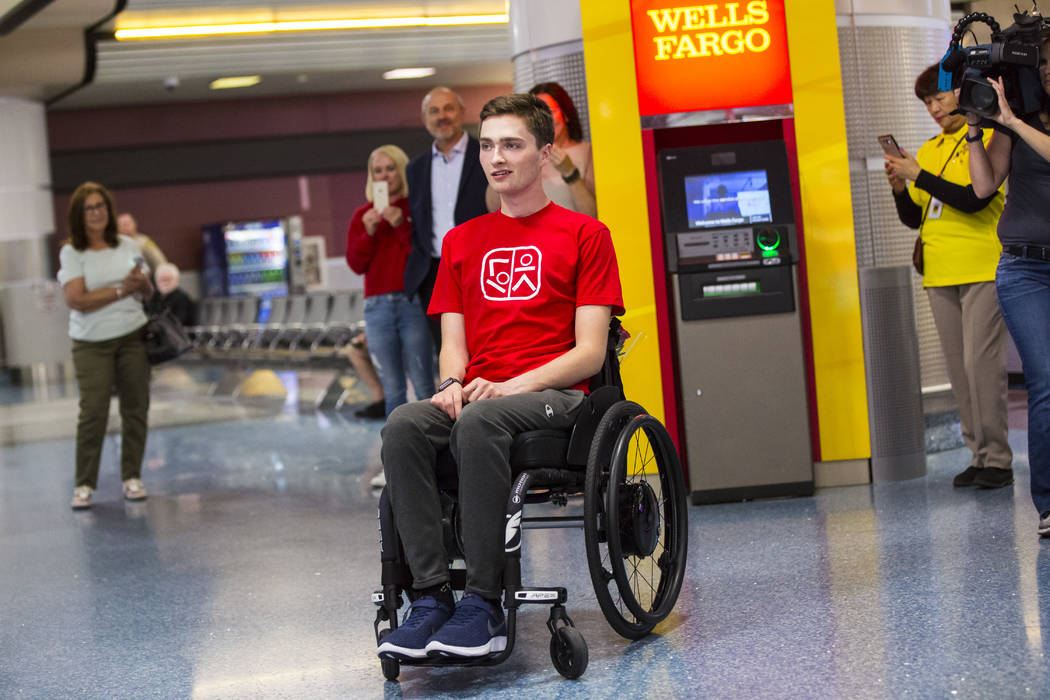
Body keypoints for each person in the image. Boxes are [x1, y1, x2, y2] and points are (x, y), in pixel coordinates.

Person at [376, 94, 623, 661]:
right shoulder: (462, 241)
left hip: (556, 397)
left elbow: (589, 353)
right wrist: (448, 386)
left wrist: (514, 385)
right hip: (482, 395)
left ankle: (484, 603)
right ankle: (433, 598)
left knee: (482, 422)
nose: (497, 157)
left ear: (545, 152)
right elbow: (453, 347)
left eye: (512, 144)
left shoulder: (587, 235)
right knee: (405, 425)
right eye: (487, 145)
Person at [884, 63, 1013, 490]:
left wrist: (918, 174)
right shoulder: (930, 148)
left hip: (981, 265)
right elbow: (914, 217)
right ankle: (977, 453)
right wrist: (901, 186)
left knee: (982, 365)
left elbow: (974, 200)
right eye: (926, 102)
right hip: (939, 271)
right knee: (960, 370)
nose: (934, 107)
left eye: (939, 97)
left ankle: (997, 457)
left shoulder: (987, 138)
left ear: (961, 92)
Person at [965, 31, 1050, 537]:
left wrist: (1014, 121)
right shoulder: (1012, 126)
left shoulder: (1020, 124)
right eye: (1039, 62)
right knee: (1046, 382)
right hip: (1023, 269)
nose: (1045, 70)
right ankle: (1049, 503)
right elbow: (982, 185)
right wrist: (978, 129)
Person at [57, 182, 154, 510]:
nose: (97, 212)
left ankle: (132, 477)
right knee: (93, 412)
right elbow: (77, 299)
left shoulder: (128, 245)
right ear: (79, 215)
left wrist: (141, 286)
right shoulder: (72, 252)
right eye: (89, 208)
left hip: (132, 336)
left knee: (136, 408)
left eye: (101, 206)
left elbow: (148, 291)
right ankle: (84, 484)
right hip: (90, 343)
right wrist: (120, 291)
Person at [346, 145, 436, 419]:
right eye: (378, 171)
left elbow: (423, 256)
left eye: (390, 168)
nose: (385, 176)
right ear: (371, 177)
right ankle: (400, 453)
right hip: (377, 308)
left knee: (424, 384)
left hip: (412, 302)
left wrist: (402, 227)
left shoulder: (416, 209)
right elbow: (356, 263)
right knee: (393, 388)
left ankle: (436, 448)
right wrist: (369, 232)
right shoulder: (363, 215)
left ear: (402, 170)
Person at [404, 87, 492, 350]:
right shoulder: (415, 169)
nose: (442, 116)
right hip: (434, 274)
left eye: (448, 108)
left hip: (481, 267)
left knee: (486, 345)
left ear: (462, 112)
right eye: (434, 111)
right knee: (447, 351)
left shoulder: (486, 155)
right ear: (424, 118)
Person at [525, 81, 597, 217]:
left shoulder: (587, 152)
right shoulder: (526, 157)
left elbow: (592, 215)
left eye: (550, 112)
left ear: (566, 114)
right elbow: (492, 206)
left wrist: (570, 173)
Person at [116, 212, 168, 277]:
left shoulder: (143, 241)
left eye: (127, 223)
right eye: (121, 224)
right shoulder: (112, 244)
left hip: (144, 279)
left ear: (135, 224)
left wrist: (165, 274)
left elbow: (159, 260)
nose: (125, 226)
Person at [150, 262, 197, 327]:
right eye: (161, 280)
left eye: (168, 279)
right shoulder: (155, 297)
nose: (164, 283)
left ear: (176, 281)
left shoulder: (182, 299)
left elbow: (178, 323)